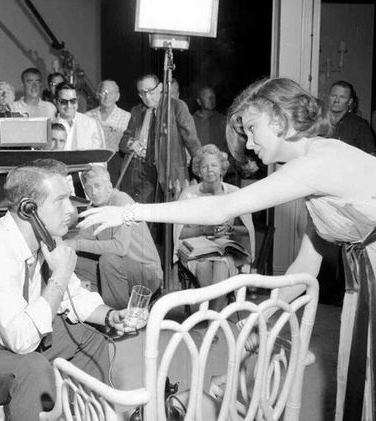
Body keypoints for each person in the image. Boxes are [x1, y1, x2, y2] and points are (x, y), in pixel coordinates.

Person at [79, 77, 376, 421]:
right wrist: (262, 316)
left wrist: (131, 211)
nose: (249, 143)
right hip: (364, 281)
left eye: (252, 128)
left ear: (280, 118)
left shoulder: (319, 161)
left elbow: (222, 208)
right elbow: (304, 268)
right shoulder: (313, 173)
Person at [0, 159, 138, 420]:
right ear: (28, 208)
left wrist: (112, 316)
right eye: (60, 200)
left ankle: (87, 415)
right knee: (32, 368)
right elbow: (22, 341)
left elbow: (74, 295)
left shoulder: (43, 239)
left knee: (89, 338)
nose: (71, 209)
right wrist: (60, 275)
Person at [66, 166, 162, 308]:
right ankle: (97, 308)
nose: (93, 192)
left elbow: (119, 248)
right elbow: (82, 239)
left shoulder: (121, 200)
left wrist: (77, 244)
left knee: (108, 260)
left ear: (109, 186)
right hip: (120, 271)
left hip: (147, 275)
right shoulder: (93, 208)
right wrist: (63, 246)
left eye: (97, 185)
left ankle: (119, 319)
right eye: (88, 188)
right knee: (73, 261)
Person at [174, 144, 255, 310]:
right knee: (204, 262)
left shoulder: (235, 193)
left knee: (222, 262)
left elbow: (248, 230)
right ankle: (216, 313)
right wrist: (204, 230)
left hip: (223, 248)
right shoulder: (188, 194)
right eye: (204, 166)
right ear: (198, 170)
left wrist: (230, 229)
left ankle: (211, 316)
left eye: (214, 165)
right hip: (194, 249)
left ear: (222, 168)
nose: (209, 170)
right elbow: (179, 233)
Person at [118, 74, 200, 204]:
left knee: (171, 220)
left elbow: (192, 142)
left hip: (170, 176)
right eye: (142, 93)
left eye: (151, 91)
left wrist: (201, 167)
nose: (147, 97)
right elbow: (123, 143)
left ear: (161, 87)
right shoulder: (137, 111)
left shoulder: (176, 107)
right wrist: (131, 144)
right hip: (142, 176)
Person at [86, 80, 131, 183]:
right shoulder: (87, 117)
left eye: (111, 93)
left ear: (118, 96)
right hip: (93, 168)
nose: (107, 97)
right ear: (98, 94)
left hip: (117, 168)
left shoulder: (127, 117)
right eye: (104, 92)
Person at [55, 82, 106, 151]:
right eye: (63, 101)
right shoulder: (49, 125)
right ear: (55, 102)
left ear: (77, 100)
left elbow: (99, 156)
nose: (69, 106)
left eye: (73, 101)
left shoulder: (91, 124)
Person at [328, 80, 375, 154]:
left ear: (350, 102)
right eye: (333, 96)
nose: (336, 100)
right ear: (329, 96)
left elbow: (371, 156)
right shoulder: (319, 121)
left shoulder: (360, 125)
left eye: (342, 97)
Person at [193, 86, 229, 152]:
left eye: (213, 96)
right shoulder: (190, 121)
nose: (211, 99)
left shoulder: (223, 121)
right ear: (199, 101)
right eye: (206, 96)